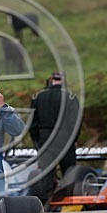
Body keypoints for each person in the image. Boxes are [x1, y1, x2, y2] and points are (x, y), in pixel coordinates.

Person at [29, 71, 80, 200]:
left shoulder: (38, 97)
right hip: (65, 137)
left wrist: (37, 141)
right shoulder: (71, 97)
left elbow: (32, 123)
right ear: (64, 81)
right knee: (69, 171)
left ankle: (45, 203)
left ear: (50, 80)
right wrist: (74, 139)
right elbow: (75, 122)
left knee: (46, 174)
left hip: (45, 137)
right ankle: (70, 201)